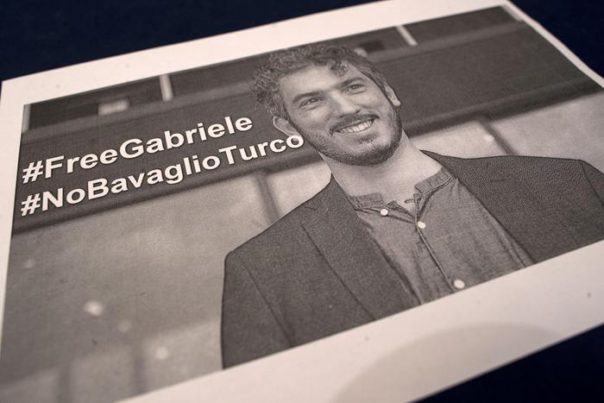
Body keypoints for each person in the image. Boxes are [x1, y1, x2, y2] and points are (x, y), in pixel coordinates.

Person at [221, 44, 604, 368]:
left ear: (389, 92)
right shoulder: (261, 270)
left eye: (353, 86)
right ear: (288, 126)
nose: (345, 108)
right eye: (312, 101)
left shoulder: (566, 180)